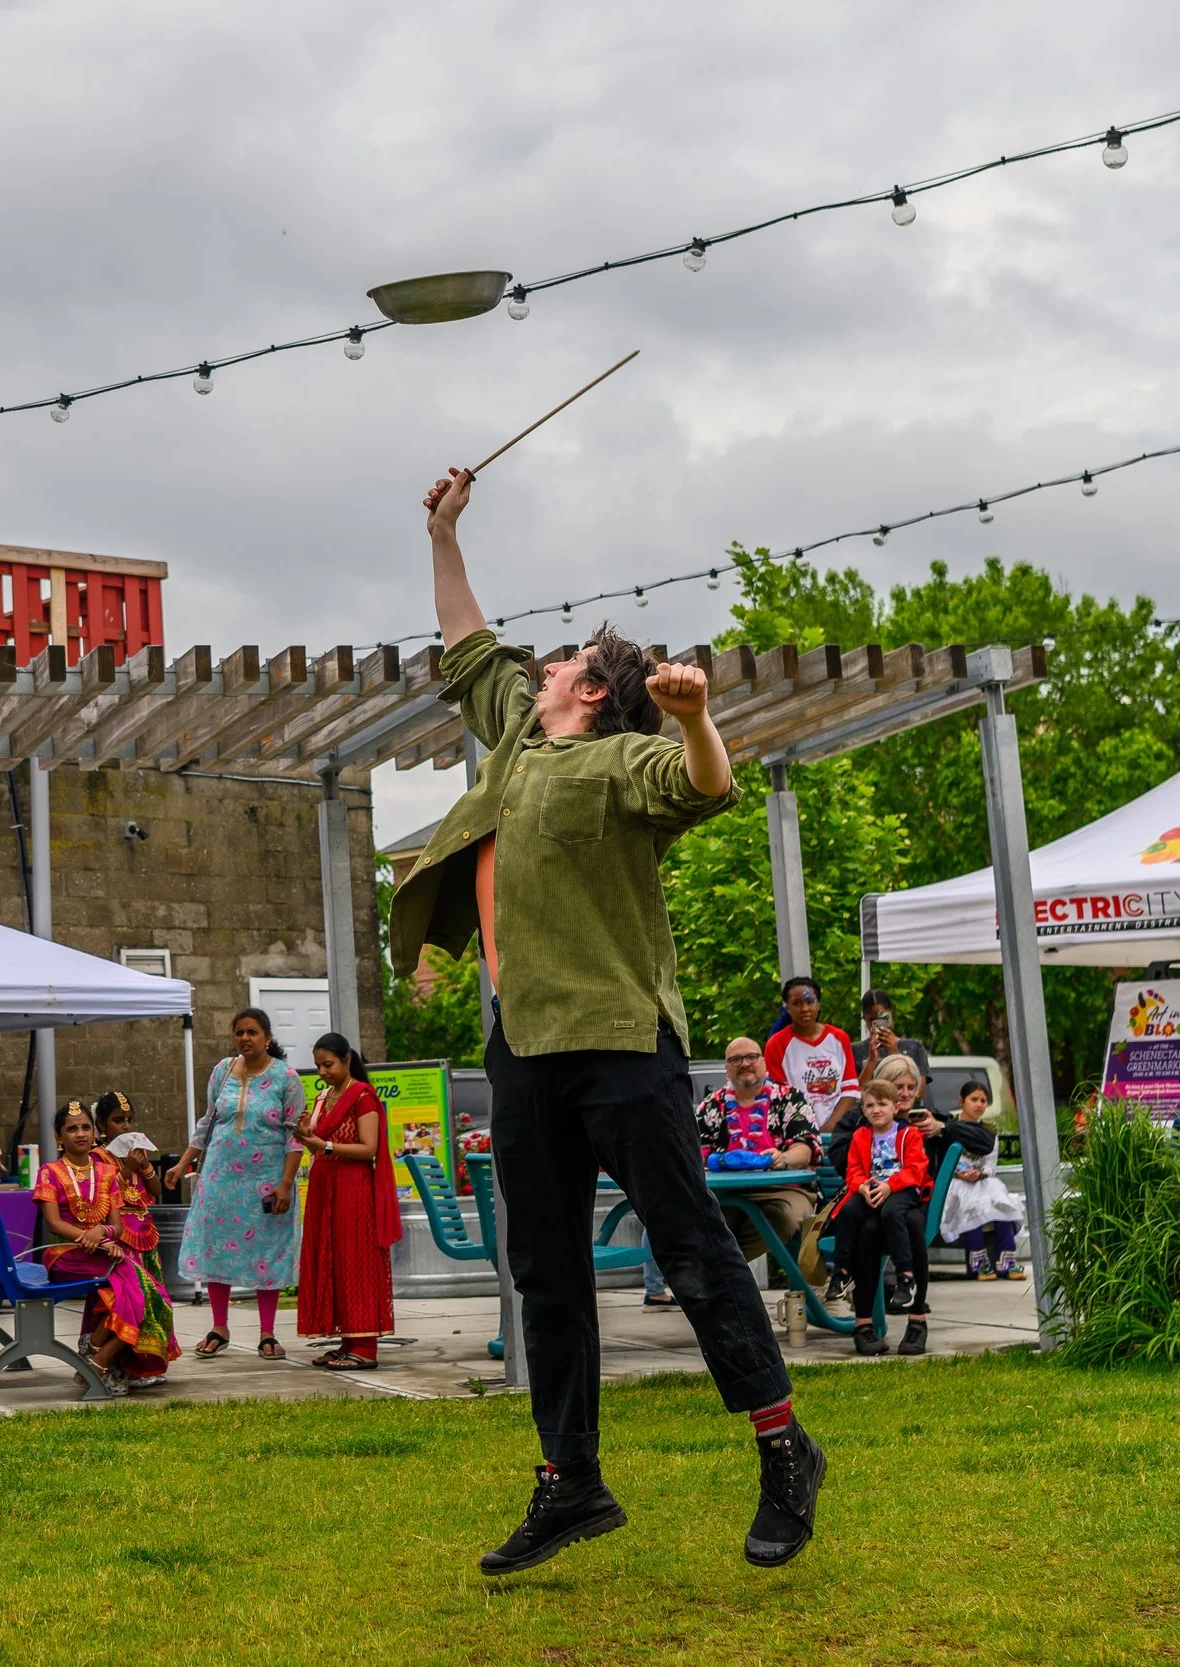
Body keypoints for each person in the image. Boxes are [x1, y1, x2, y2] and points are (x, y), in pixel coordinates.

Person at [387, 467, 823, 1576]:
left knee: (687, 1245)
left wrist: (697, 717)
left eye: (566, 660)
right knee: (544, 1269)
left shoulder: (623, 757)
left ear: (592, 692)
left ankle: (784, 1451)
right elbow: (468, 638)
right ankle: (570, 1479)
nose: (544, 664)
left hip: (623, 1044)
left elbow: (704, 788)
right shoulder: (519, 741)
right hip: (522, 1050)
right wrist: (442, 532)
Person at [165, 1008, 306, 1361]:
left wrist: (286, 1184)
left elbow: (296, 1138)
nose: (245, 1038)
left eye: (252, 1032)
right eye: (239, 1032)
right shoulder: (223, 1070)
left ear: (267, 1037)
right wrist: (184, 1163)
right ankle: (219, 1327)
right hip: (220, 1178)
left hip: (267, 1183)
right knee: (217, 1248)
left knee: (267, 1252)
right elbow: (208, 1122)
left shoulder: (286, 1077)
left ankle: (268, 1333)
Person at [296, 1031, 400, 1370]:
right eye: (318, 1066)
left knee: (355, 1262)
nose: (322, 1071)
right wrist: (303, 1134)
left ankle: (365, 1348)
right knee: (333, 1261)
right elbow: (316, 1139)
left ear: (347, 1060)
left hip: (353, 1190)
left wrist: (323, 1146)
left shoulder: (362, 1095)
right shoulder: (325, 1096)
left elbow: (368, 1148)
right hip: (325, 1187)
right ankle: (346, 1342)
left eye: (328, 1064)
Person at [34, 1102, 152, 1392]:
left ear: (93, 1132)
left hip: (102, 1254)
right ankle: (97, 1358)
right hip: (66, 1254)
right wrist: (93, 1239)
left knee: (145, 1293)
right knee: (134, 1287)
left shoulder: (108, 1173)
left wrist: (103, 1235)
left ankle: (95, 1354)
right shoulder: (49, 1172)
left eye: (85, 1127)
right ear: (59, 1136)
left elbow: (117, 1227)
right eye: (71, 1129)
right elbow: (53, 1224)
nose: (80, 1133)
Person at [693, 1037, 821, 1290]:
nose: (745, 1064)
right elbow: (697, 1152)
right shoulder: (711, 1106)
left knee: (780, 1217)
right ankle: (723, 1280)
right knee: (709, 1222)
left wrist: (782, 1158)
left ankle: (721, 1277)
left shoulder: (789, 1098)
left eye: (751, 1057)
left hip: (785, 1189)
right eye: (736, 1059)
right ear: (727, 1068)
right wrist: (716, 1160)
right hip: (728, 1192)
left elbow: (805, 1149)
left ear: (763, 1062)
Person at [837, 1080, 932, 1357]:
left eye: (910, 1086)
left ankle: (917, 1318)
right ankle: (863, 1324)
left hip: (908, 1196)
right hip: (872, 1198)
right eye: (870, 1104)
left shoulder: (918, 1127)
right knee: (866, 1230)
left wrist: (941, 1127)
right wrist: (863, 1187)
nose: (905, 1091)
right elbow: (852, 1168)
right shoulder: (858, 1131)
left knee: (913, 1226)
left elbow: (919, 1168)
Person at [105, 1127, 181, 1381]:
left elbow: (156, 1190)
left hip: (146, 1235)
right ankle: (127, 1365)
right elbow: (106, 1194)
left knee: (159, 1299)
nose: (124, 1127)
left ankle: (151, 1363)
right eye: (117, 1120)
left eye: (128, 1120)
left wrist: (145, 1166)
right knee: (137, 1300)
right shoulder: (102, 1158)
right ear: (103, 1125)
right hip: (121, 1238)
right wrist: (126, 1169)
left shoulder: (138, 1154)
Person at [936, 1080, 1023, 1280]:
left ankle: (1007, 1260)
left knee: (1001, 1199)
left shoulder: (989, 1131)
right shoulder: (950, 1128)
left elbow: (991, 1165)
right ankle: (979, 1263)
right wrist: (959, 1173)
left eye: (983, 1100)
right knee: (970, 1202)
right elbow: (943, 1159)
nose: (979, 1104)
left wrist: (980, 1173)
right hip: (955, 1181)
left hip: (982, 1180)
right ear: (962, 1100)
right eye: (974, 1099)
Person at [764, 977, 861, 1138]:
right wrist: (808, 1129)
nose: (804, 1008)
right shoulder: (776, 1044)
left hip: (839, 1131)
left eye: (810, 1001)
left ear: (819, 1004)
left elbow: (850, 1090)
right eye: (797, 1003)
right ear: (787, 1008)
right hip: (795, 1133)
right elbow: (778, 1096)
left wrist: (829, 1127)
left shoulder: (839, 1038)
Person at [854, 990, 932, 1091]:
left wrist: (895, 1053)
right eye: (872, 1020)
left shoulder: (914, 1047)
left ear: (892, 1013)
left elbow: (918, 1092)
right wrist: (871, 1061)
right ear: (864, 1019)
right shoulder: (855, 1050)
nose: (879, 1023)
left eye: (883, 1017)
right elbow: (856, 1093)